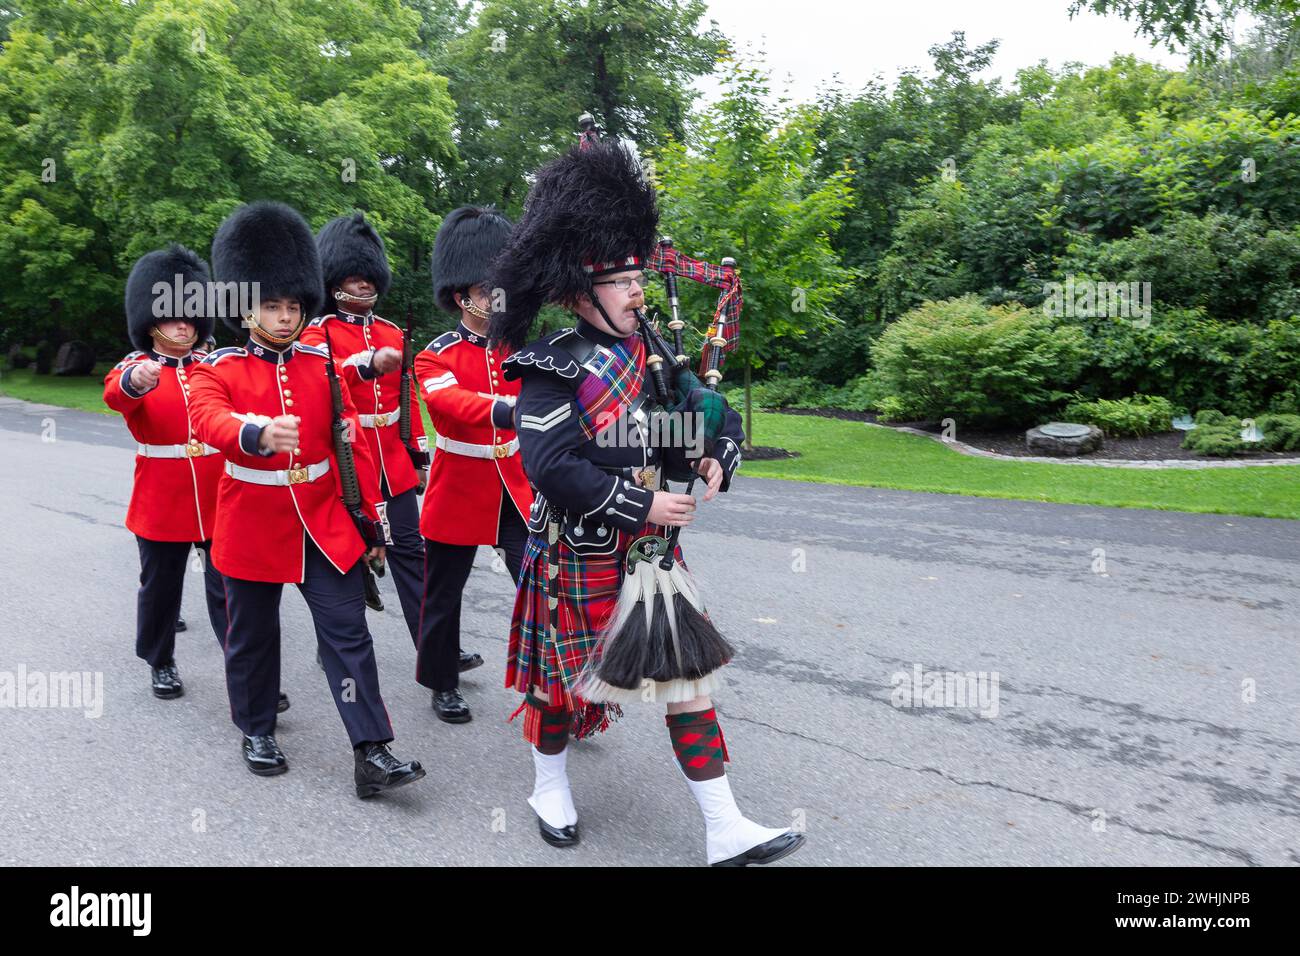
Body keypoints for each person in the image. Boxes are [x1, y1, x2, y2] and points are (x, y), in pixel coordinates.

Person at [488, 141, 803, 865]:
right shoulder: (549, 365)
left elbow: (698, 412)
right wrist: (642, 505)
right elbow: (551, 465)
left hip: (656, 559)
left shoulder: (652, 356)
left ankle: (724, 827)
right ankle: (548, 785)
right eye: (621, 280)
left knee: (688, 681)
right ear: (577, 291)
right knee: (558, 689)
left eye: (638, 276)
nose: (638, 291)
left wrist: (713, 451)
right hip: (581, 551)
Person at [188, 200, 424, 797]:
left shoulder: (319, 362)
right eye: (273, 305)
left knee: (348, 633)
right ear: (247, 306)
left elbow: (345, 376)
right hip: (252, 523)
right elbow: (208, 418)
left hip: (321, 521)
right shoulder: (218, 367)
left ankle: (372, 750)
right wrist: (255, 434)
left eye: (294, 305)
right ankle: (257, 728)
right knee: (254, 635)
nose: (287, 316)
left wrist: (376, 362)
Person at [103, 245, 292, 707]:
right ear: (152, 324)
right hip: (162, 501)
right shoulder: (135, 367)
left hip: (216, 497)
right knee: (161, 588)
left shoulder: (214, 368)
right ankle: (159, 659)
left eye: (191, 317)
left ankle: (247, 672)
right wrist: (137, 381)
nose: (184, 325)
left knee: (230, 592)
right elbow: (115, 395)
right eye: (172, 318)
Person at [413, 206, 532, 723]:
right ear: (463, 295)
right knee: (442, 595)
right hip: (459, 485)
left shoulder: (521, 348)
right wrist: (507, 410)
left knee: (537, 589)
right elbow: (449, 403)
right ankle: (441, 682)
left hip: (515, 488)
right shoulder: (433, 356)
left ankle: (548, 687)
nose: (497, 297)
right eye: (488, 289)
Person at [300, 213, 429, 652]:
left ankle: (434, 655)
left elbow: (405, 397)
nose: (365, 286)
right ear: (335, 280)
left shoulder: (392, 332)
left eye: (370, 278)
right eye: (356, 278)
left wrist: (417, 451)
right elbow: (321, 379)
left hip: (392, 459)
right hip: (348, 461)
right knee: (347, 556)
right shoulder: (317, 332)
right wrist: (363, 366)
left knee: (411, 552)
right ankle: (332, 641)